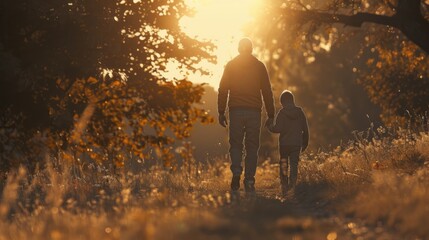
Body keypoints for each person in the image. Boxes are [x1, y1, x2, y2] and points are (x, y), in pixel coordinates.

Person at [218, 38, 275, 193]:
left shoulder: (231, 65)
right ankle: (249, 180)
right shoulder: (259, 66)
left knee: (235, 144)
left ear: (238, 49)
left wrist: (221, 111)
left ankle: (237, 171)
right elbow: (267, 91)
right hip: (254, 112)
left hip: (235, 111)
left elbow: (223, 89)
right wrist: (271, 114)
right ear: (251, 49)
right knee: (252, 147)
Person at [268, 90, 309, 194]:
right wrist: (305, 142)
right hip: (296, 143)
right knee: (294, 164)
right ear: (292, 100)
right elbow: (305, 128)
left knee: (284, 164)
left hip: (284, 144)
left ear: (282, 102)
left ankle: (284, 186)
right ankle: (293, 185)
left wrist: (270, 127)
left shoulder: (282, 113)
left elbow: (278, 128)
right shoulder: (300, 112)